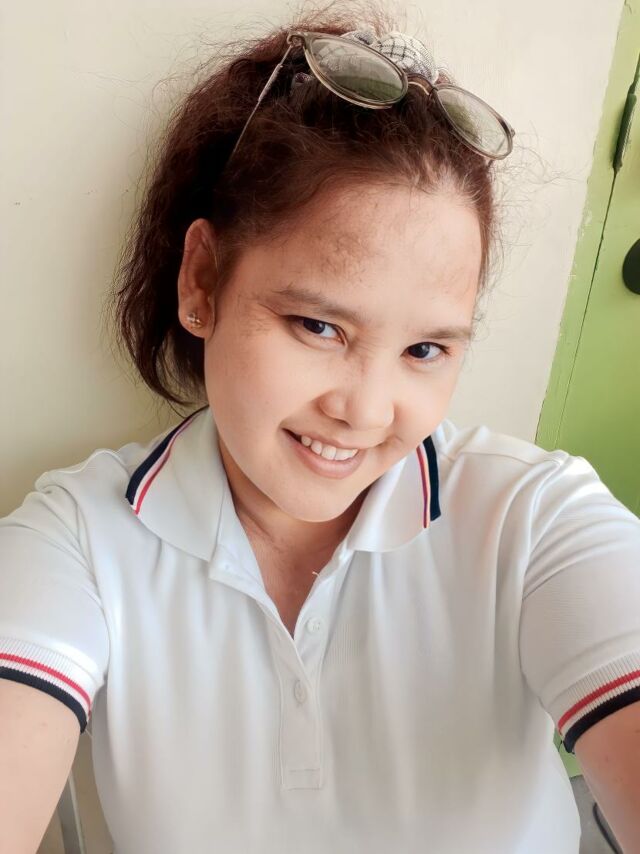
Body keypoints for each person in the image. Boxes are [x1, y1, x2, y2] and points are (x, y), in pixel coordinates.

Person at [1, 3, 640, 853]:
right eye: (319, 326)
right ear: (201, 281)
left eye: (424, 349)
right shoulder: (80, 540)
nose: (367, 412)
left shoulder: (535, 520)